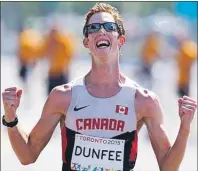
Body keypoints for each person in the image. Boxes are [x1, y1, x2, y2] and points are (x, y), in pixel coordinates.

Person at [2, 3, 197, 171]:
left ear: (121, 40)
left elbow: (168, 166)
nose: (101, 31)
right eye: (93, 28)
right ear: (87, 42)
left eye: (108, 26)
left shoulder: (143, 100)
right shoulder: (63, 96)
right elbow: (27, 155)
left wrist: (185, 128)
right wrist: (10, 118)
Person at [42, 23, 75, 95]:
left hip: (60, 73)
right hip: (53, 73)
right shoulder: (49, 42)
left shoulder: (62, 42)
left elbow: (69, 56)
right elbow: (43, 54)